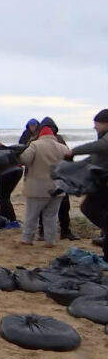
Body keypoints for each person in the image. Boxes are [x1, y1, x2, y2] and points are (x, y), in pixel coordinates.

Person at [17, 119, 69, 247]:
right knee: (51, 216)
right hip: (57, 187)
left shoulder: (35, 145)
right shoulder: (63, 147)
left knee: (32, 215)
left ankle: (27, 239)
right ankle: (50, 241)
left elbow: (25, 159)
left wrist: (17, 154)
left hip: (37, 187)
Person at [67, 109, 108, 259]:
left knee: (88, 208)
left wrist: (74, 151)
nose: (95, 127)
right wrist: (73, 166)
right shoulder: (103, 138)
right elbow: (93, 158)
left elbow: (98, 147)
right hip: (101, 183)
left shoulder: (105, 140)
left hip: (104, 184)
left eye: (96, 123)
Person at [34, 117, 78, 241]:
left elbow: (69, 158)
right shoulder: (36, 142)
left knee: (64, 206)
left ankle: (65, 231)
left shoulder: (60, 140)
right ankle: (42, 231)